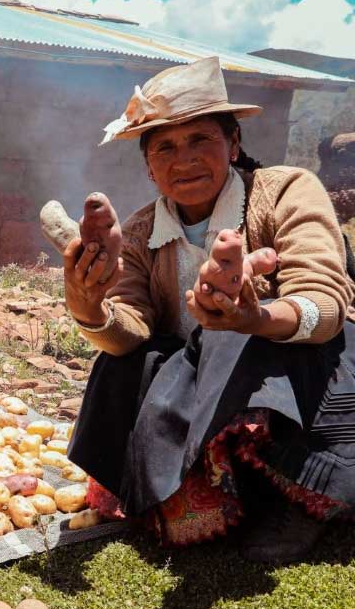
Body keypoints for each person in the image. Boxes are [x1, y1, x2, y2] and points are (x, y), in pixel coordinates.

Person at [65, 57, 355, 561]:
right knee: (123, 362)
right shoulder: (140, 233)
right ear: (149, 167)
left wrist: (256, 318)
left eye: (201, 139)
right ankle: (200, 495)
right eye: (165, 147)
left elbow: (324, 302)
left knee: (235, 339)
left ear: (233, 144)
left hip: (296, 374)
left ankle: (304, 497)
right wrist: (90, 307)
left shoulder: (285, 192)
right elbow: (131, 328)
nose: (185, 160)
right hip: (206, 383)